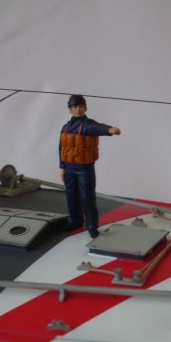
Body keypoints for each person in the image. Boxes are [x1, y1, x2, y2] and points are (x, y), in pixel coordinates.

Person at [59, 94, 121, 238]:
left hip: (84, 169)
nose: (78, 109)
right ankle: (75, 220)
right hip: (69, 167)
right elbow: (61, 147)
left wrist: (110, 129)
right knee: (71, 196)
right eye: (75, 107)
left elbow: (98, 128)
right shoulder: (65, 127)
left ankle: (92, 226)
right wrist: (62, 167)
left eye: (81, 106)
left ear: (85, 108)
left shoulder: (87, 125)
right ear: (70, 110)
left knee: (88, 197)